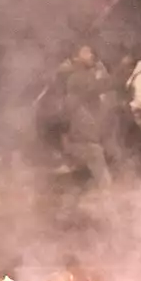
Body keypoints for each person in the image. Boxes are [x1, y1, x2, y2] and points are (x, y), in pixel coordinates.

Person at [61, 44, 113, 189]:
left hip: (88, 136)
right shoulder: (77, 77)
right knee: (104, 180)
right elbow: (97, 88)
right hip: (83, 138)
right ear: (75, 57)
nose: (91, 55)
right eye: (86, 52)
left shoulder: (83, 75)